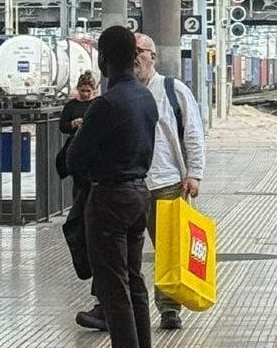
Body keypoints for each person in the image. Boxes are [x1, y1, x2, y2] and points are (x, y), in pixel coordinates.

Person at [75, 33, 207, 331]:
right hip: (130, 185)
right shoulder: (121, 96)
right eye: (131, 52)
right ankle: (107, 308)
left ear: (153, 57)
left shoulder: (173, 90)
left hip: (167, 182)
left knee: (168, 248)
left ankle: (169, 308)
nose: (135, 58)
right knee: (119, 255)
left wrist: (194, 173)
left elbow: (193, 134)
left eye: (141, 51)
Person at [66, 26, 158, 348]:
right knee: (135, 287)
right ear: (134, 57)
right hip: (139, 196)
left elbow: (74, 161)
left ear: (103, 59)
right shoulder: (145, 99)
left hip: (108, 200)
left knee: (114, 291)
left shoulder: (107, 104)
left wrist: (84, 133)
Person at [59, 72, 97, 282]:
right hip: (76, 152)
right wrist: (73, 124)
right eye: (81, 91)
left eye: (87, 91)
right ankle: (79, 210)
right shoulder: (71, 106)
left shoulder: (98, 105)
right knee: (79, 187)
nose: (84, 94)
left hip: (89, 156)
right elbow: (62, 125)